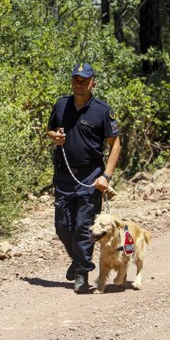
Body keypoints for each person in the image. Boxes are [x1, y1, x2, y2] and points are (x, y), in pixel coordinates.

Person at [46, 63, 121, 293]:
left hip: (91, 176)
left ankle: (81, 274)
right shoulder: (61, 104)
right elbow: (49, 129)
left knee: (83, 227)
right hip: (64, 176)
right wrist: (54, 137)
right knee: (62, 226)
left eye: (84, 81)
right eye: (75, 80)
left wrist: (106, 176)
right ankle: (78, 261)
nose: (79, 85)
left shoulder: (102, 111)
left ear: (93, 84)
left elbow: (115, 143)